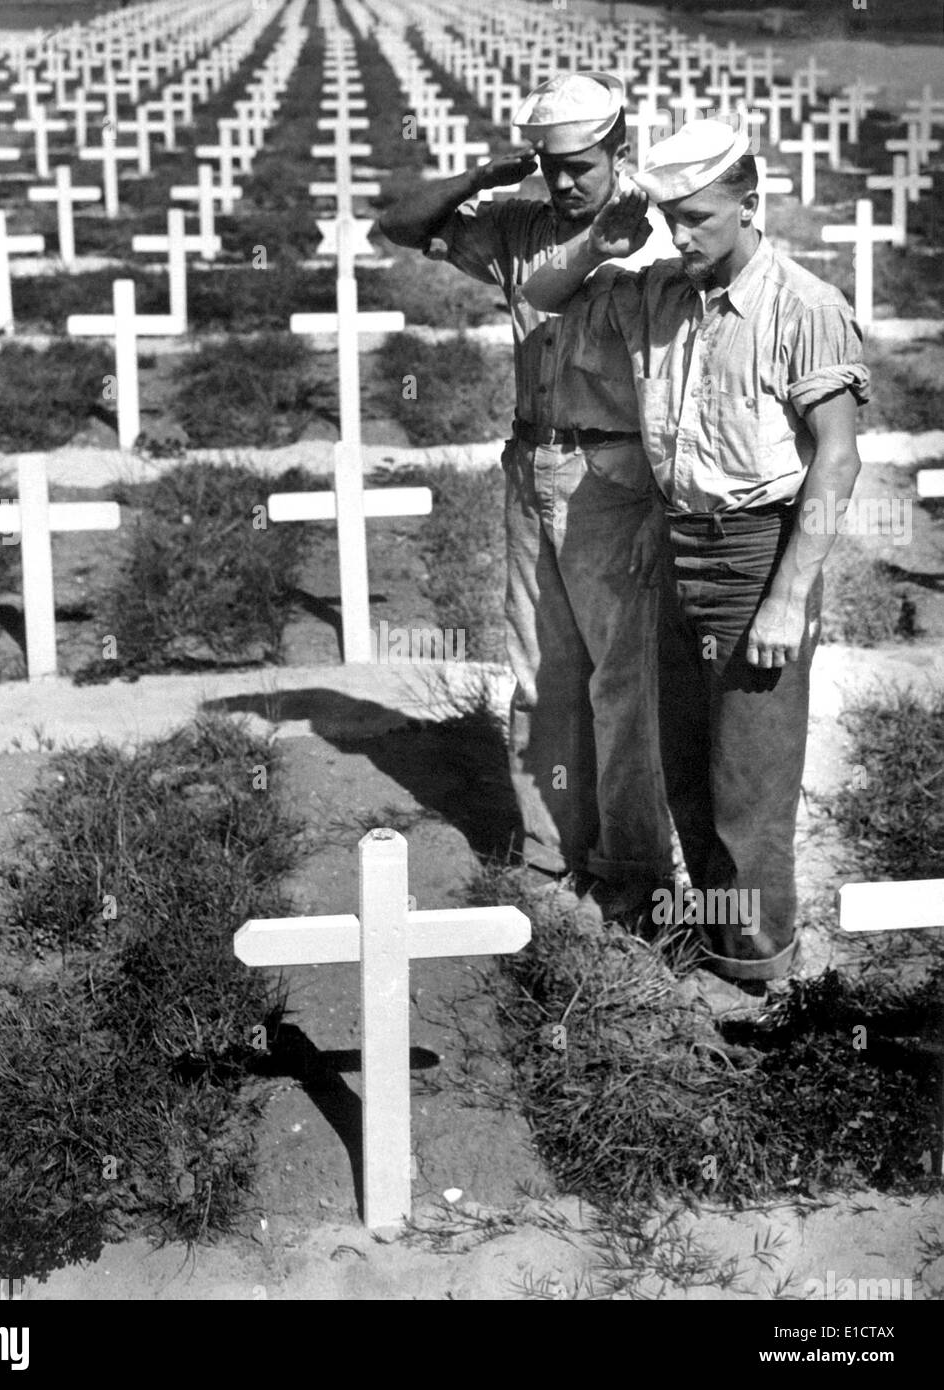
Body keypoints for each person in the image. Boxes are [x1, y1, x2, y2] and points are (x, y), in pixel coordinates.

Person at [520, 120, 868, 998]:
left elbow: (837, 458)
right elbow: (556, 295)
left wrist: (789, 595)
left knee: (748, 778)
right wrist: (610, 233)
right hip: (677, 545)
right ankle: (718, 950)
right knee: (686, 770)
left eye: (703, 219)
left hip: (760, 554)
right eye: (674, 219)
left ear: (752, 206)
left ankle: (760, 979)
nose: (685, 237)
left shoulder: (804, 306)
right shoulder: (666, 292)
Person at [377, 73, 675, 924]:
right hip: (530, 463)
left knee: (622, 681)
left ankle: (632, 867)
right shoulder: (519, 222)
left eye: (582, 164)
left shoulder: (654, 241)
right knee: (539, 673)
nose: (567, 181)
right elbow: (394, 226)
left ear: (622, 151)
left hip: (616, 478)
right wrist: (485, 177)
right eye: (551, 164)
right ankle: (551, 852)